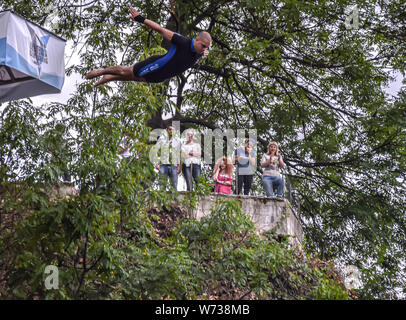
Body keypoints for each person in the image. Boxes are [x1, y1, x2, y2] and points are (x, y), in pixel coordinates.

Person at [85, 6, 212, 87]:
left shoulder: (200, 53)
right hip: (156, 65)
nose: (204, 49)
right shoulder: (182, 41)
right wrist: (140, 18)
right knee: (127, 71)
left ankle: (108, 78)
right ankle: (102, 71)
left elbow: (203, 52)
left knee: (131, 77)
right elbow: (160, 29)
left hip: (159, 77)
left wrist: (204, 52)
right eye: (203, 45)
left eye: (206, 47)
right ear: (196, 39)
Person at [155, 124, 181, 189]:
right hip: (163, 165)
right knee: (162, 186)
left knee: (174, 186)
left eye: (173, 130)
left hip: (174, 165)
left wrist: (179, 166)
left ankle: (174, 199)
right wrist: (156, 164)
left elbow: (179, 154)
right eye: (170, 129)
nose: (171, 131)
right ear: (167, 131)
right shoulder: (162, 139)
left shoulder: (178, 140)